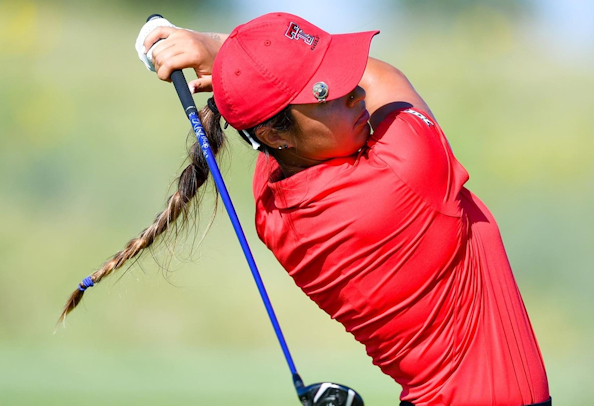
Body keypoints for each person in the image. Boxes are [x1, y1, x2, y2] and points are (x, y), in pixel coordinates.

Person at [60, 12, 551, 406]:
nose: (354, 90)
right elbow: (386, 77)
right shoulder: (405, 175)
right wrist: (216, 47)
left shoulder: (271, 205)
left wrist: (240, 69)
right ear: (274, 133)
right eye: (328, 93)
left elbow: (291, 111)